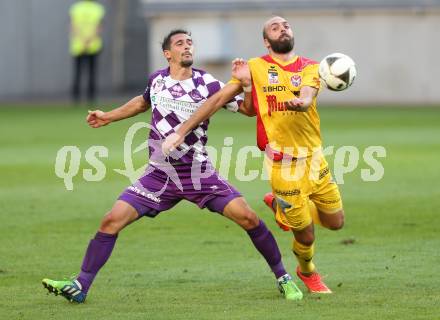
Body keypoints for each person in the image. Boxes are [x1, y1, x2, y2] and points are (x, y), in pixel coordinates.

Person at [42, 29, 303, 303]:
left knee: (248, 217)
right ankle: (81, 285)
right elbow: (142, 103)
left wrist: (247, 86)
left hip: (197, 173)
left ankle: (283, 277)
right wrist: (108, 116)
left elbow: (249, 110)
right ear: (168, 53)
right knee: (111, 220)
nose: (187, 47)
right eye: (180, 43)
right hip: (159, 175)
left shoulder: (207, 83)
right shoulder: (157, 80)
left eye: (190, 42)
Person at [162, 17, 345, 294]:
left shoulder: (311, 67)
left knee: (336, 222)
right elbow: (217, 100)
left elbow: (308, 95)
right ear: (266, 41)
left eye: (286, 25)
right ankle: (307, 271)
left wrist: (302, 102)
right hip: (283, 166)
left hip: (315, 158)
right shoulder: (255, 68)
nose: (282, 28)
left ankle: (281, 210)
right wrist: (182, 130)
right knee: (306, 234)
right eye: (275, 27)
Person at [69, 0, 105, 103]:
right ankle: (91, 97)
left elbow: (73, 27)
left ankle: (76, 98)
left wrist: (82, 39)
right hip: (93, 45)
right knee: (92, 72)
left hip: (78, 45)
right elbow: (99, 27)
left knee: (78, 72)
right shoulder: (98, 8)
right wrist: (89, 39)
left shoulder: (76, 8)